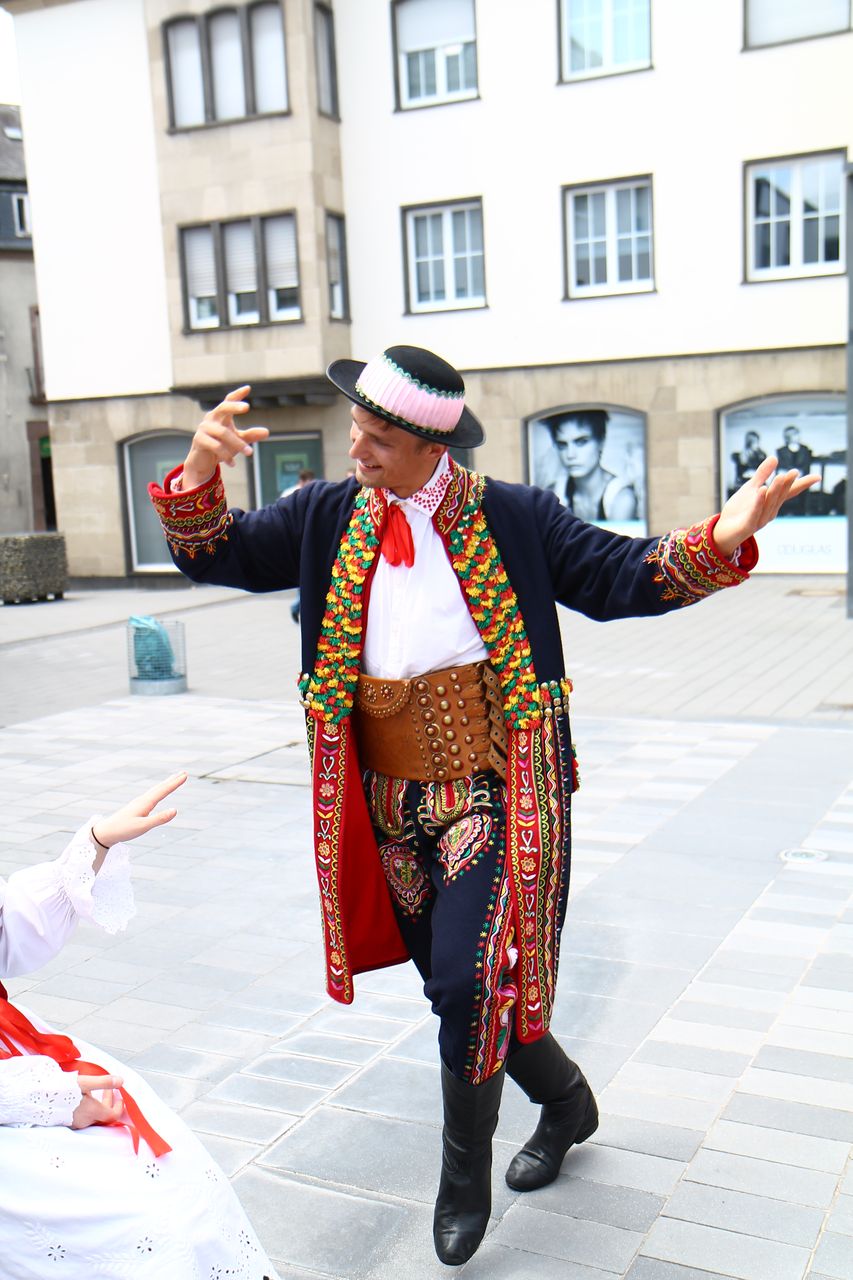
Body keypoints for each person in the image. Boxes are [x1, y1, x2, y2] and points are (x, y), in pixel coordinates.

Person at [148, 346, 816, 1267]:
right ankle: (567, 1101)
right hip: (385, 801)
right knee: (456, 988)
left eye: (378, 440)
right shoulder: (324, 514)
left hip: (490, 791)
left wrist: (721, 536)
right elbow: (213, 553)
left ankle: (462, 1181)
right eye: (356, 430)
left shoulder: (513, 514)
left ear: (435, 447)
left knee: (469, 987)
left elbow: (618, 575)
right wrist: (198, 468)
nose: (357, 450)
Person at [1, 773, 277, 1280]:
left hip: (18, 1051)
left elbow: (9, 931)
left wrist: (94, 844)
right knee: (132, 1226)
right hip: (16, 1092)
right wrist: (46, 1097)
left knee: (184, 1189)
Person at [545, 409, 638, 521]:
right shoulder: (553, 494)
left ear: (601, 441)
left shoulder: (622, 499)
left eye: (581, 442)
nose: (570, 455)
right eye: (562, 445)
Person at [281, 470, 316, 621]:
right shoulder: (291, 494)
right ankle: (297, 606)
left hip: (307, 541)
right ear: (302, 481)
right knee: (303, 579)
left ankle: (297, 606)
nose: (310, 483)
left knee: (304, 580)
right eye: (308, 481)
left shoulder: (313, 492)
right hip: (296, 542)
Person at [776, 425, 813, 516]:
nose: (796, 436)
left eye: (796, 434)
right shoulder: (781, 451)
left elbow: (806, 465)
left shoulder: (805, 450)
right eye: (793, 434)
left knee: (803, 488)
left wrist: (799, 474)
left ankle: (802, 512)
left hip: (802, 478)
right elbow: (781, 466)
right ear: (787, 437)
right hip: (787, 478)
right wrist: (792, 474)